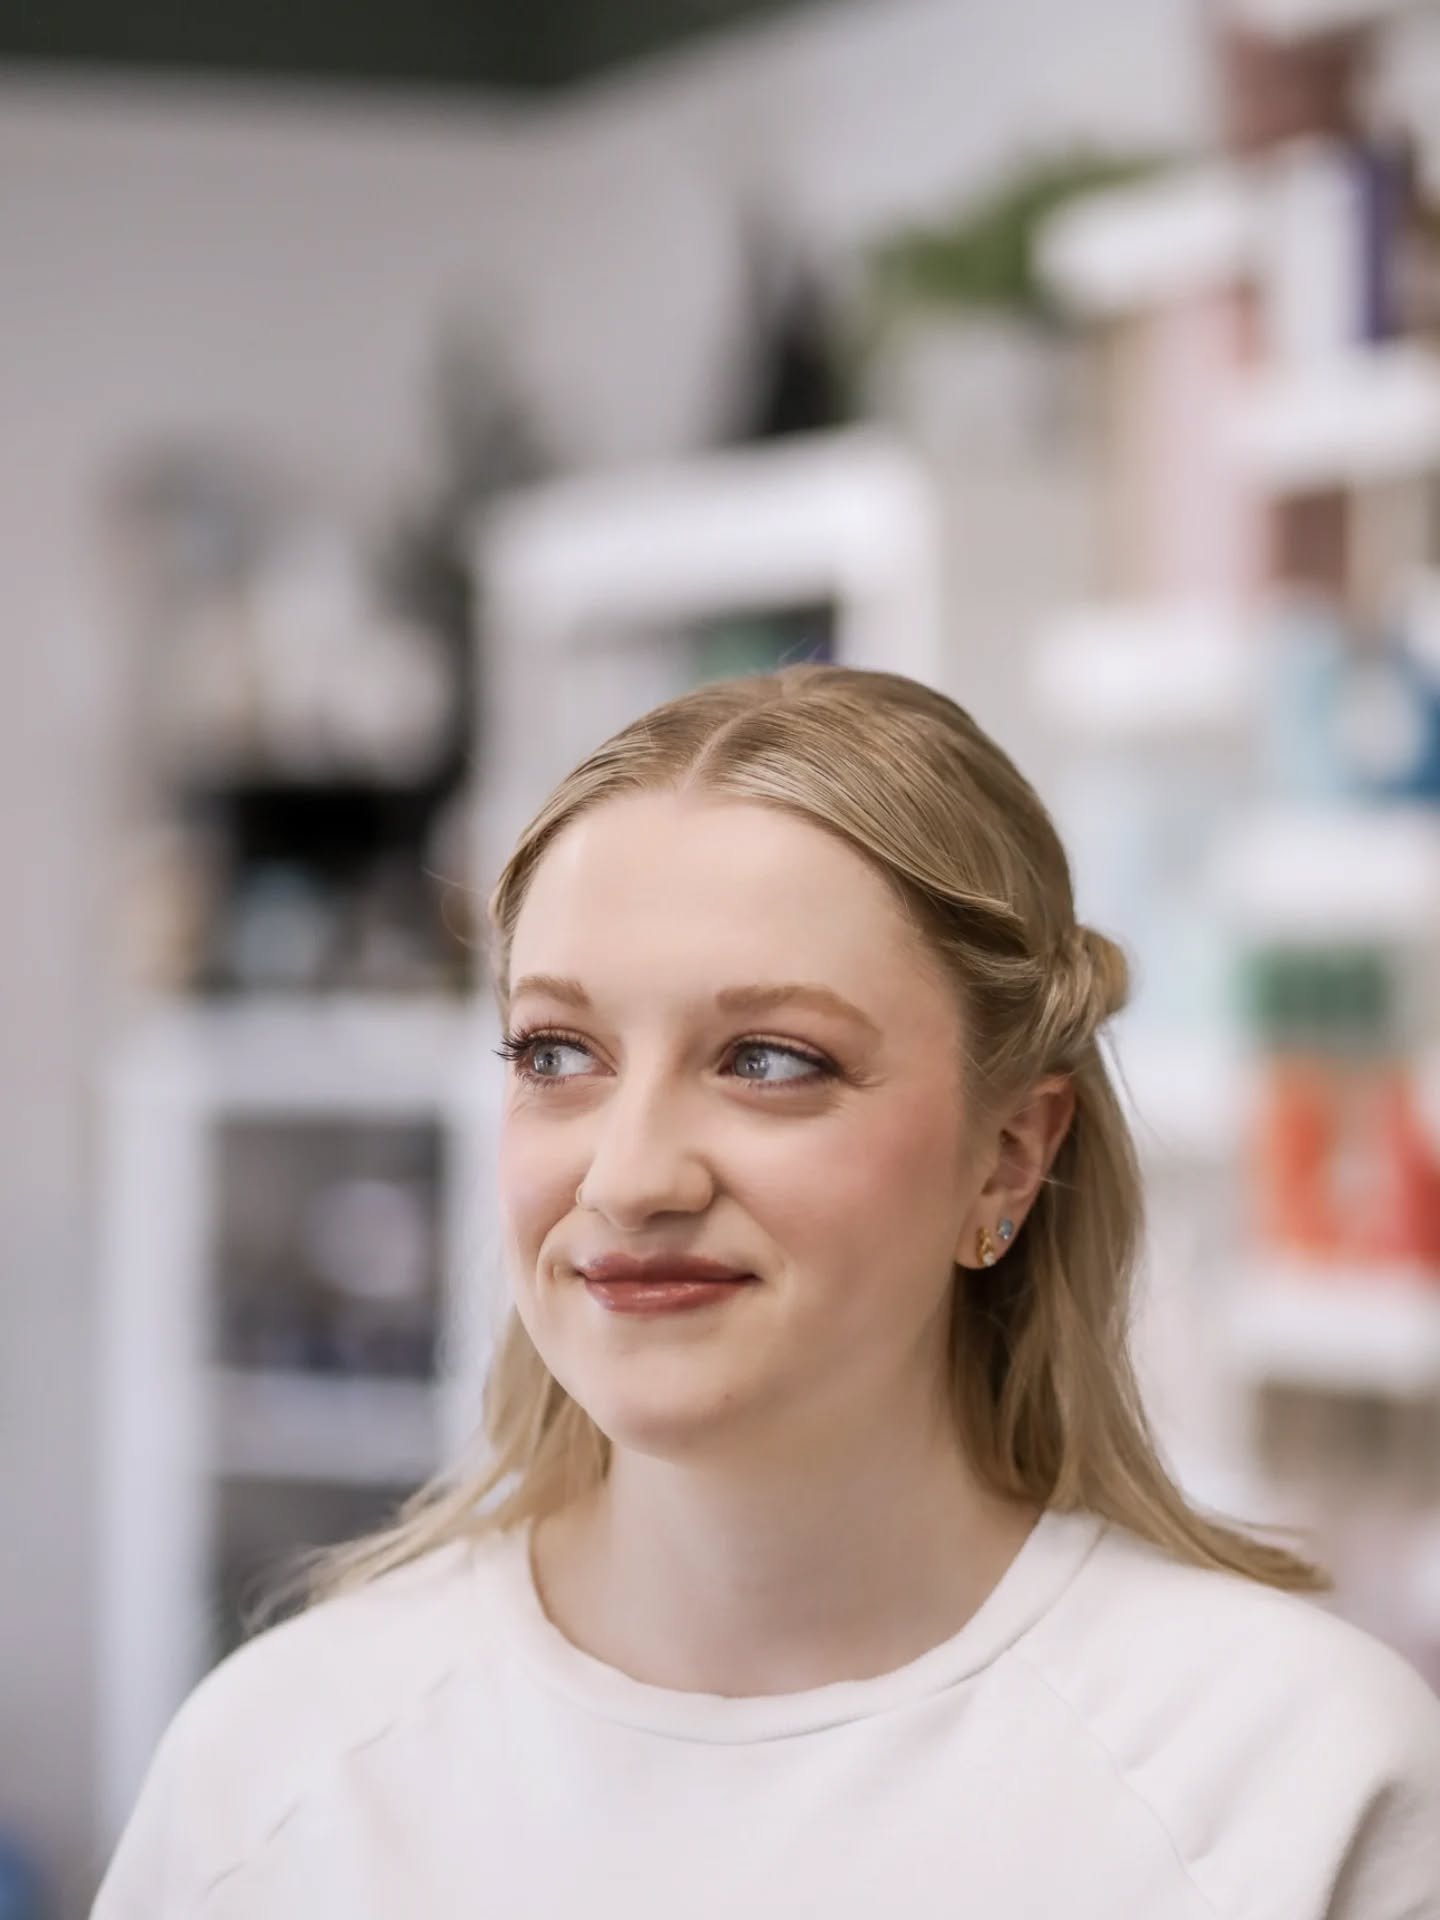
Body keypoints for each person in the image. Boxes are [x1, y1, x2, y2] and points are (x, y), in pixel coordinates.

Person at [93, 664, 1440, 1918]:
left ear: (1010, 1156)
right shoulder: (274, 1780)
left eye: (772, 1061)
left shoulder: (1293, 1785)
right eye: (557, 1051)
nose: (628, 1178)